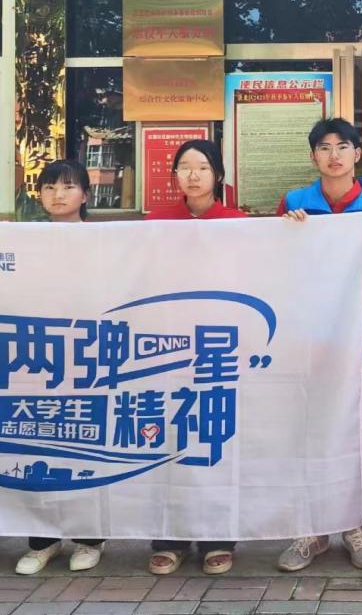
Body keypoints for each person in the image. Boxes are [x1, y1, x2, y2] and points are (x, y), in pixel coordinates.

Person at [274, 118, 362, 572]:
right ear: (313, 156)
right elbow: (278, 264)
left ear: (357, 154)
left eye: (343, 146)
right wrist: (288, 233)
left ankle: (356, 524)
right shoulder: (294, 203)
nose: (334, 155)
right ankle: (311, 528)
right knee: (309, 429)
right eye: (324, 148)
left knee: (359, 430)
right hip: (310, 336)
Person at [144, 139, 246, 575]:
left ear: (218, 174)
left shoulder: (238, 224)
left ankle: (218, 538)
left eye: (202, 167)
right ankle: (170, 538)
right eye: (184, 167)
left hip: (219, 347)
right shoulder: (155, 223)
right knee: (169, 438)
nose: (193, 174)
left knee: (215, 439)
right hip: (167, 346)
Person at [15, 160, 106, 575]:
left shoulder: (108, 240)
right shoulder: (24, 240)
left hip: (90, 354)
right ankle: (42, 541)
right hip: (40, 355)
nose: (58, 194)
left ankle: (89, 539)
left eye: (68, 187)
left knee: (88, 444)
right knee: (39, 444)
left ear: (85, 195)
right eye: (49, 187)